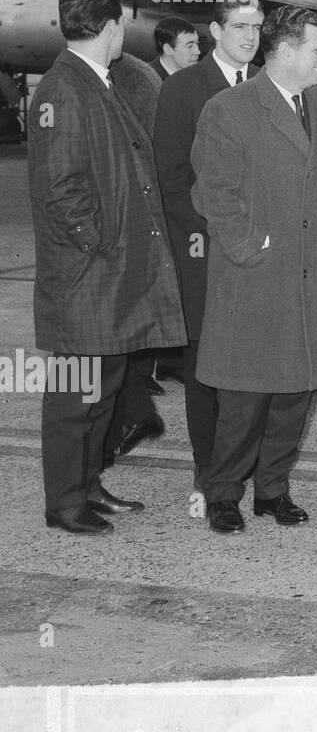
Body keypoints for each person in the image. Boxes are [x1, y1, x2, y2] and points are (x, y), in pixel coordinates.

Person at [192, 6, 317, 534]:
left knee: (294, 394)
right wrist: (248, 247)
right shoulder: (230, 108)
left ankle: (273, 489)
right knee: (244, 400)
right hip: (256, 278)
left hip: (314, 277)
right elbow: (214, 191)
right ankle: (223, 493)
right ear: (286, 52)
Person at [28, 0, 186, 534]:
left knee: (104, 392)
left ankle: (89, 485)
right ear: (113, 27)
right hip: (87, 278)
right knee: (75, 400)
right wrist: (100, 245)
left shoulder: (98, 81)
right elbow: (61, 187)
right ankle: (64, 503)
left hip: (109, 276)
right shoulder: (63, 88)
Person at [153, 0, 264, 491]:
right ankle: (209, 472)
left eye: (257, 27)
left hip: (261, 248)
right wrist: (216, 229)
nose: (250, 36)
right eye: (240, 27)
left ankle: (250, 467)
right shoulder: (183, 88)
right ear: (216, 31)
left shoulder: (268, 83)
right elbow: (172, 178)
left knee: (255, 363)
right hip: (206, 247)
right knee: (206, 366)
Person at [101, 52, 168, 464]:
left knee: (103, 342)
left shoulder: (119, 78)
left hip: (123, 228)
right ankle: (138, 413)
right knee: (115, 339)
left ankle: (122, 429)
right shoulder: (139, 74)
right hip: (137, 223)